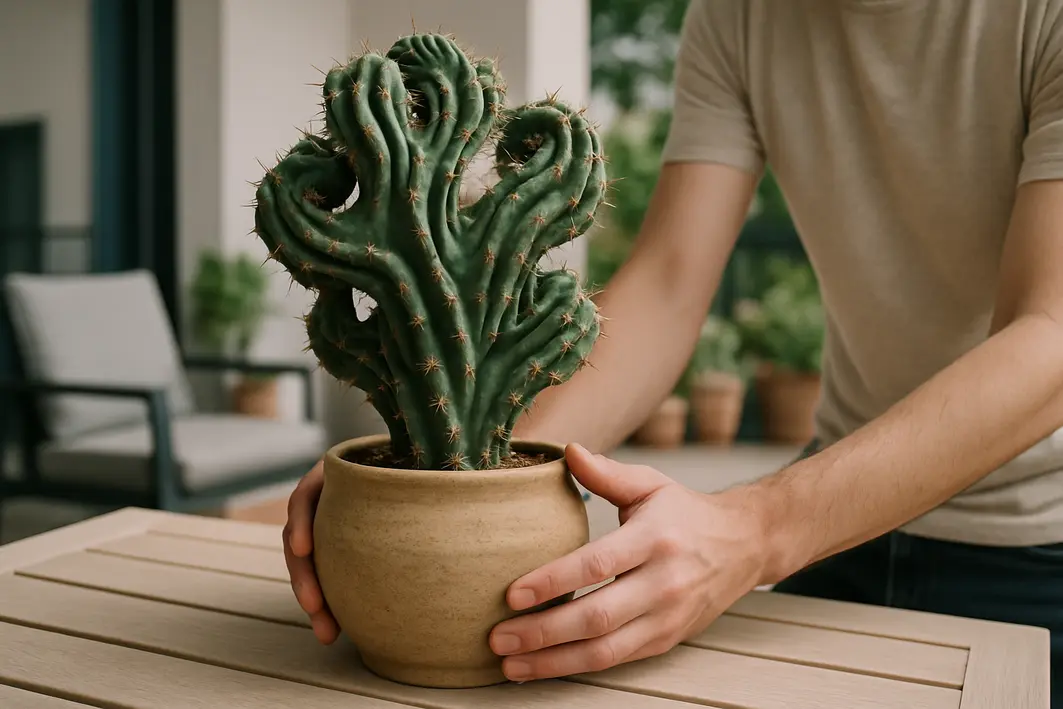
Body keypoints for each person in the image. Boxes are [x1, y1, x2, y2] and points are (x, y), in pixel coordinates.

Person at [284, 0, 1063, 701]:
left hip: (1039, 545)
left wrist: (755, 529)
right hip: (838, 523)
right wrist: (449, 451)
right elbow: (666, 284)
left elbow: (1049, 334)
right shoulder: (739, 14)